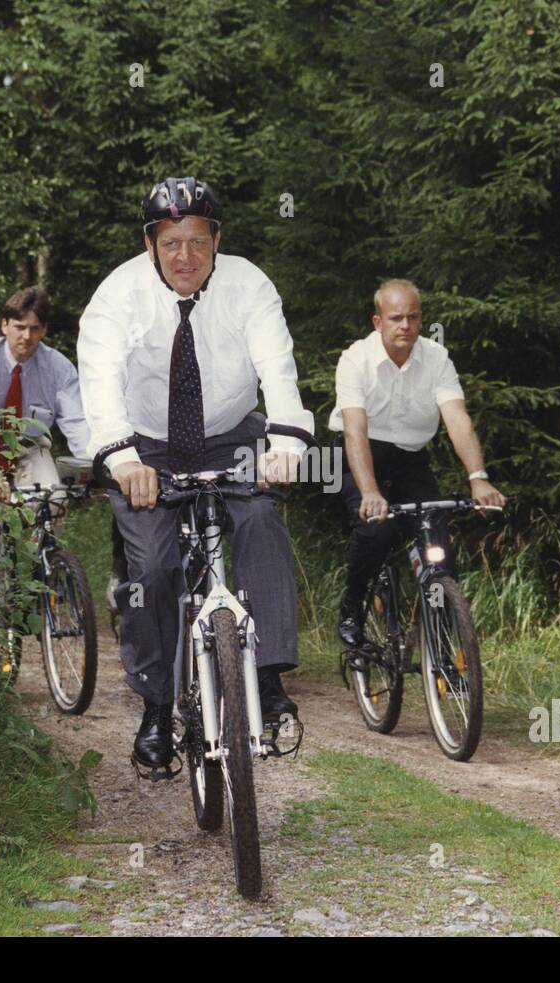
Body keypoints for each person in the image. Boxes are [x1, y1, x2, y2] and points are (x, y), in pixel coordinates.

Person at [77, 175, 313, 770]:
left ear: (217, 240)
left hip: (230, 434)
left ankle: (265, 675)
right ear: (150, 242)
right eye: (171, 242)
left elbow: (278, 368)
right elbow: (100, 382)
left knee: (260, 517)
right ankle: (156, 707)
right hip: (147, 446)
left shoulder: (249, 284)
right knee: (153, 569)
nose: (186, 257)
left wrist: (285, 439)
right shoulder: (117, 296)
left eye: (199, 242)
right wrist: (122, 459)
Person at [331, 278, 506, 648]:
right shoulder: (355, 360)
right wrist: (369, 492)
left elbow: (457, 420)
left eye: (412, 317)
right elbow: (355, 433)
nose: (405, 326)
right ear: (378, 322)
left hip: (410, 458)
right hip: (357, 455)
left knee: (438, 545)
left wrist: (478, 478)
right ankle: (352, 605)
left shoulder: (437, 358)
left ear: (421, 320)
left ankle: (443, 646)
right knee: (375, 529)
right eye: (395, 318)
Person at [0, 286, 90, 587]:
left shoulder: (58, 367)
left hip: (29, 449)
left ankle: (42, 576)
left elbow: (76, 421)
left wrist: (93, 465)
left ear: (44, 330)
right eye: (18, 327)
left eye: (34, 328)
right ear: (4, 325)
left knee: (55, 498)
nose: (26, 337)